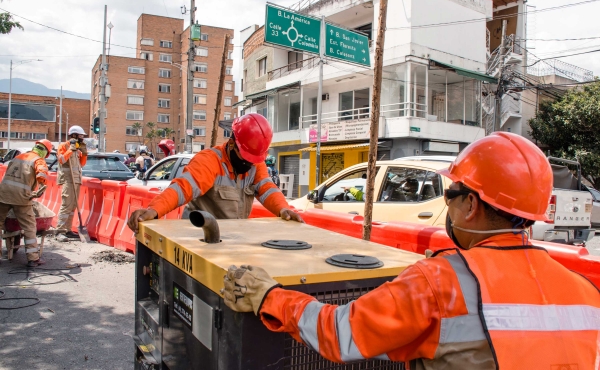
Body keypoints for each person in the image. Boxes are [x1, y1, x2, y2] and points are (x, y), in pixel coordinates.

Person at [222, 132, 600, 369]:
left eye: (450, 195)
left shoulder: (441, 282)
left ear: (470, 205)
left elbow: (340, 334)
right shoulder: (585, 293)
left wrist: (268, 295)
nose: (447, 206)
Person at [128, 113, 303, 232]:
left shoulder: (255, 164)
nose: (250, 164)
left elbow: (267, 188)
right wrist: (154, 210)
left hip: (231, 237)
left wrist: (283, 209)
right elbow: (183, 188)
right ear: (232, 144)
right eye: (247, 158)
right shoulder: (210, 161)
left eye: (254, 160)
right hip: (199, 236)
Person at [0, 140, 51, 266]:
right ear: (45, 152)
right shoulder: (38, 160)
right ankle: (33, 258)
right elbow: (41, 173)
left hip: (3, 194)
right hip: (21, 198)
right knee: (29, 227)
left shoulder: (18, 157)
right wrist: (42, 183)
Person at [56, 126, 88, 239]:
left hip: (76, 180)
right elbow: (62, 160)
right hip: (68, 179)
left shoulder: (78, 149)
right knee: (66, 205)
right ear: (74, 135)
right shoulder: (63, 146)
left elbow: (82, 164)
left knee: (73, 206)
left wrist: (84, 154)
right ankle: (59, 230)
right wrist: (70, 150)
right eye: (81, 136)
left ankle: (68, 229)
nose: (82, 138)